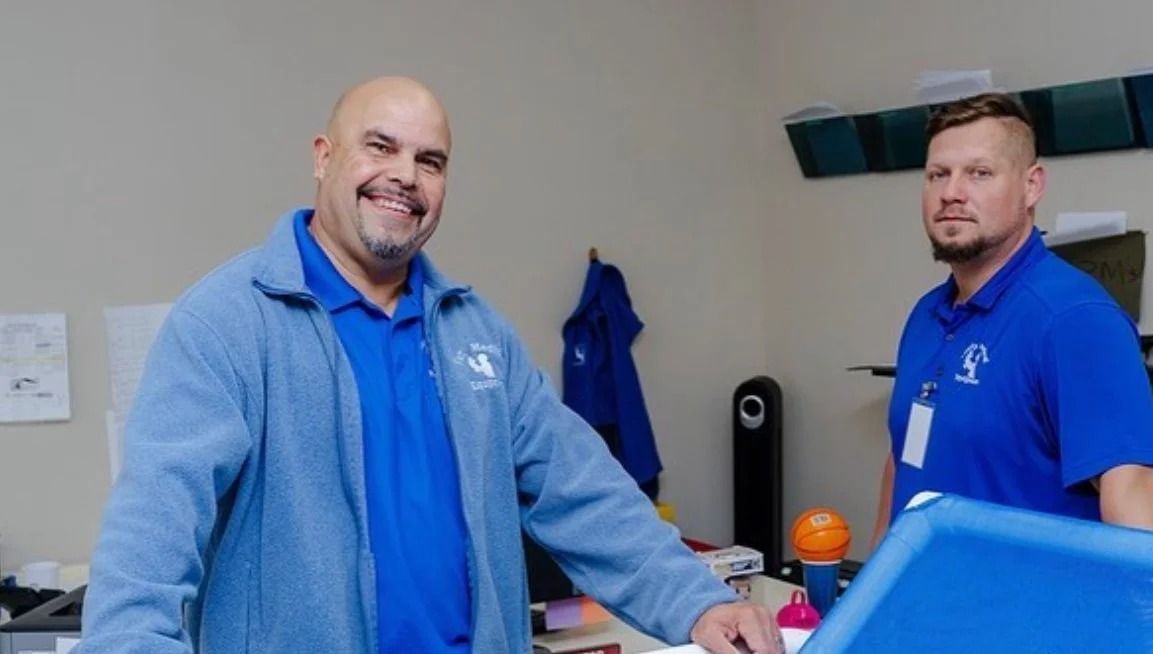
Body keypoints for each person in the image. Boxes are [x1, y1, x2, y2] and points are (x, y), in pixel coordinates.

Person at [75, 76, 781, 654]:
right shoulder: (228, 324)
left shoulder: (473, 333)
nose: (403, 177)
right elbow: (151, 540)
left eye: (430, 161)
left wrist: (696, 604)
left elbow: (582, 492)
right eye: (379, 147)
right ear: (323, 156)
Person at [871, 92, 1153, 549]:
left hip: (1027, 615)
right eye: (938, 174)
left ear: (1032, 185)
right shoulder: (925, 316)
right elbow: (902, 461)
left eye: (979, 173)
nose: (951, 192)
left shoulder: (1074, 320)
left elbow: (1133, 497)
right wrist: (872, 591)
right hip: (922, 609)